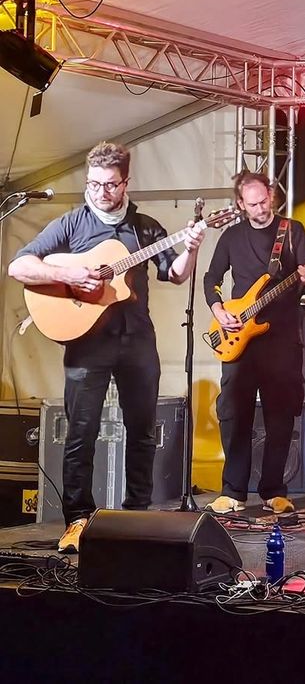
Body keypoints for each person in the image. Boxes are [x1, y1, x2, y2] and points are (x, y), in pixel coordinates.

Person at [8, 142, 205, 553]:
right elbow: (19, 266)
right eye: (94, 184)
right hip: (86, 345)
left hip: (136, 341)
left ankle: (136, 515)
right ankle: (77, 520)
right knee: (81, 433)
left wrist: (192, 247)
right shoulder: (71, 223)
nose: (100, 192)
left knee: (143, 432)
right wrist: (69, 274)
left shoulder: (145, 227)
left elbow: (176, 275)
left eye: (110, 185)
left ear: (125, 183)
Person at [203, 171, 305, 516]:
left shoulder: (292, 230)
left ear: (271, 195)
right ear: (241, 204)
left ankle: (273, 489)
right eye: (253, 204)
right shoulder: (231, 236)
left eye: (264, 200)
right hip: (238, 336)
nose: (261, 208)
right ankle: (233, 489)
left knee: (280, 413)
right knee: (233, 412)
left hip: (281, 336)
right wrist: (218, 309)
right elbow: (212, 277)